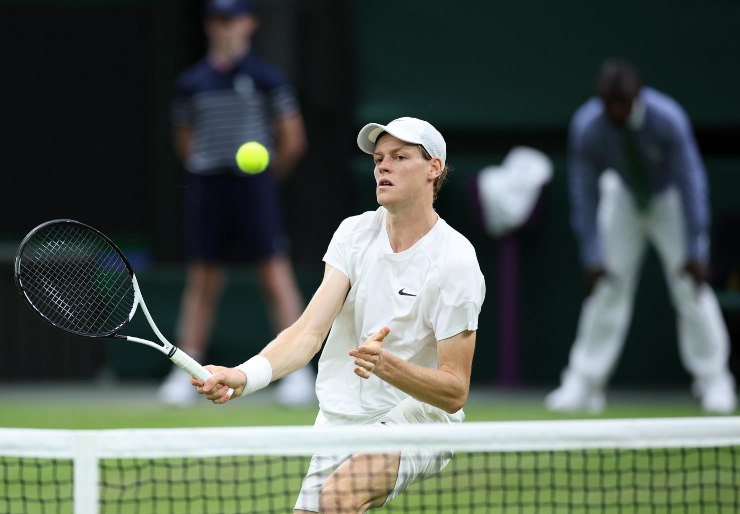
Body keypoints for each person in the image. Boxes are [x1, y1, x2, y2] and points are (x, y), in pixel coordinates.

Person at [192, 117, 486, 513]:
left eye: (400, 157)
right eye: (379, 158)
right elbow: (308, 333)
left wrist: (388, 366)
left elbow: (454, 392)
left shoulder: (456, 261)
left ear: (434, 168)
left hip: (419, 416)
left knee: (339, 497)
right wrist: (244, 375)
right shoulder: (354, 234)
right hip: (342, 415)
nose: (383, 166)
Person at [545, 59, 737, 415]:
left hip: (670, 200)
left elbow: (692, 182)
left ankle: (715, 381)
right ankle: (584, 384)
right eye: (609, 101)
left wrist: (696, 247)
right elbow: (584, 194)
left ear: (637, 94)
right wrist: (593, 255)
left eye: (623, 100)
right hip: (622, 198)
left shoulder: (668, 118)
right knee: (606, 287)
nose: (616, 108)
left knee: (691, 289)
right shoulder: (588, 127)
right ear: (600, 99)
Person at [157, 0, 315, 407]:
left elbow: (292, 138)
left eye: (231, 19)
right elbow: (184, 140)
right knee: (203, 280)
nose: (224, 27)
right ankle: (187, 374)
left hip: (254, 189)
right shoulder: (191, 82)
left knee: (273, 276)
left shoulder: (267, 79)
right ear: (209, 25)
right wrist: (207, 165)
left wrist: (263, 179)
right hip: (208, 187)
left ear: (249, 24)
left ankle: (297, 373)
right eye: (217, 19)